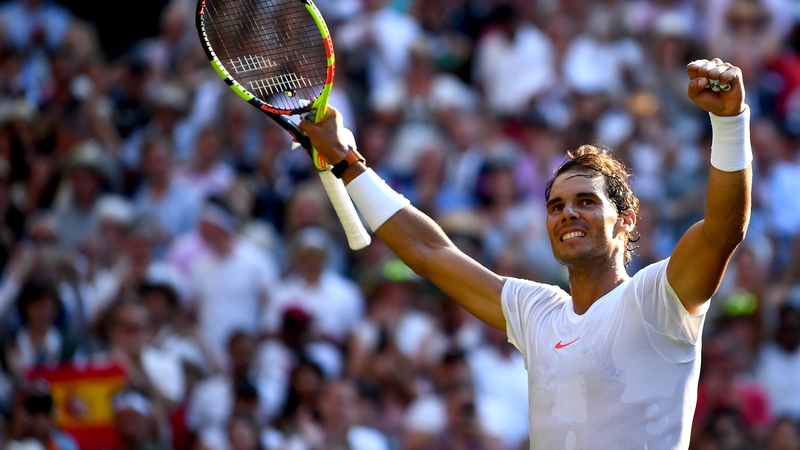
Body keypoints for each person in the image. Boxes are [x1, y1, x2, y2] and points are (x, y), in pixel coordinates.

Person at [299, 57, 752, 449]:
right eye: (556, 206)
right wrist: (346, 161)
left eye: (586, 201)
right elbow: (429, 251)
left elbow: (723, 230)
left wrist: (730, 122)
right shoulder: (537, 310)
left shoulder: (656, 298)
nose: (568, 213)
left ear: (627, 220)